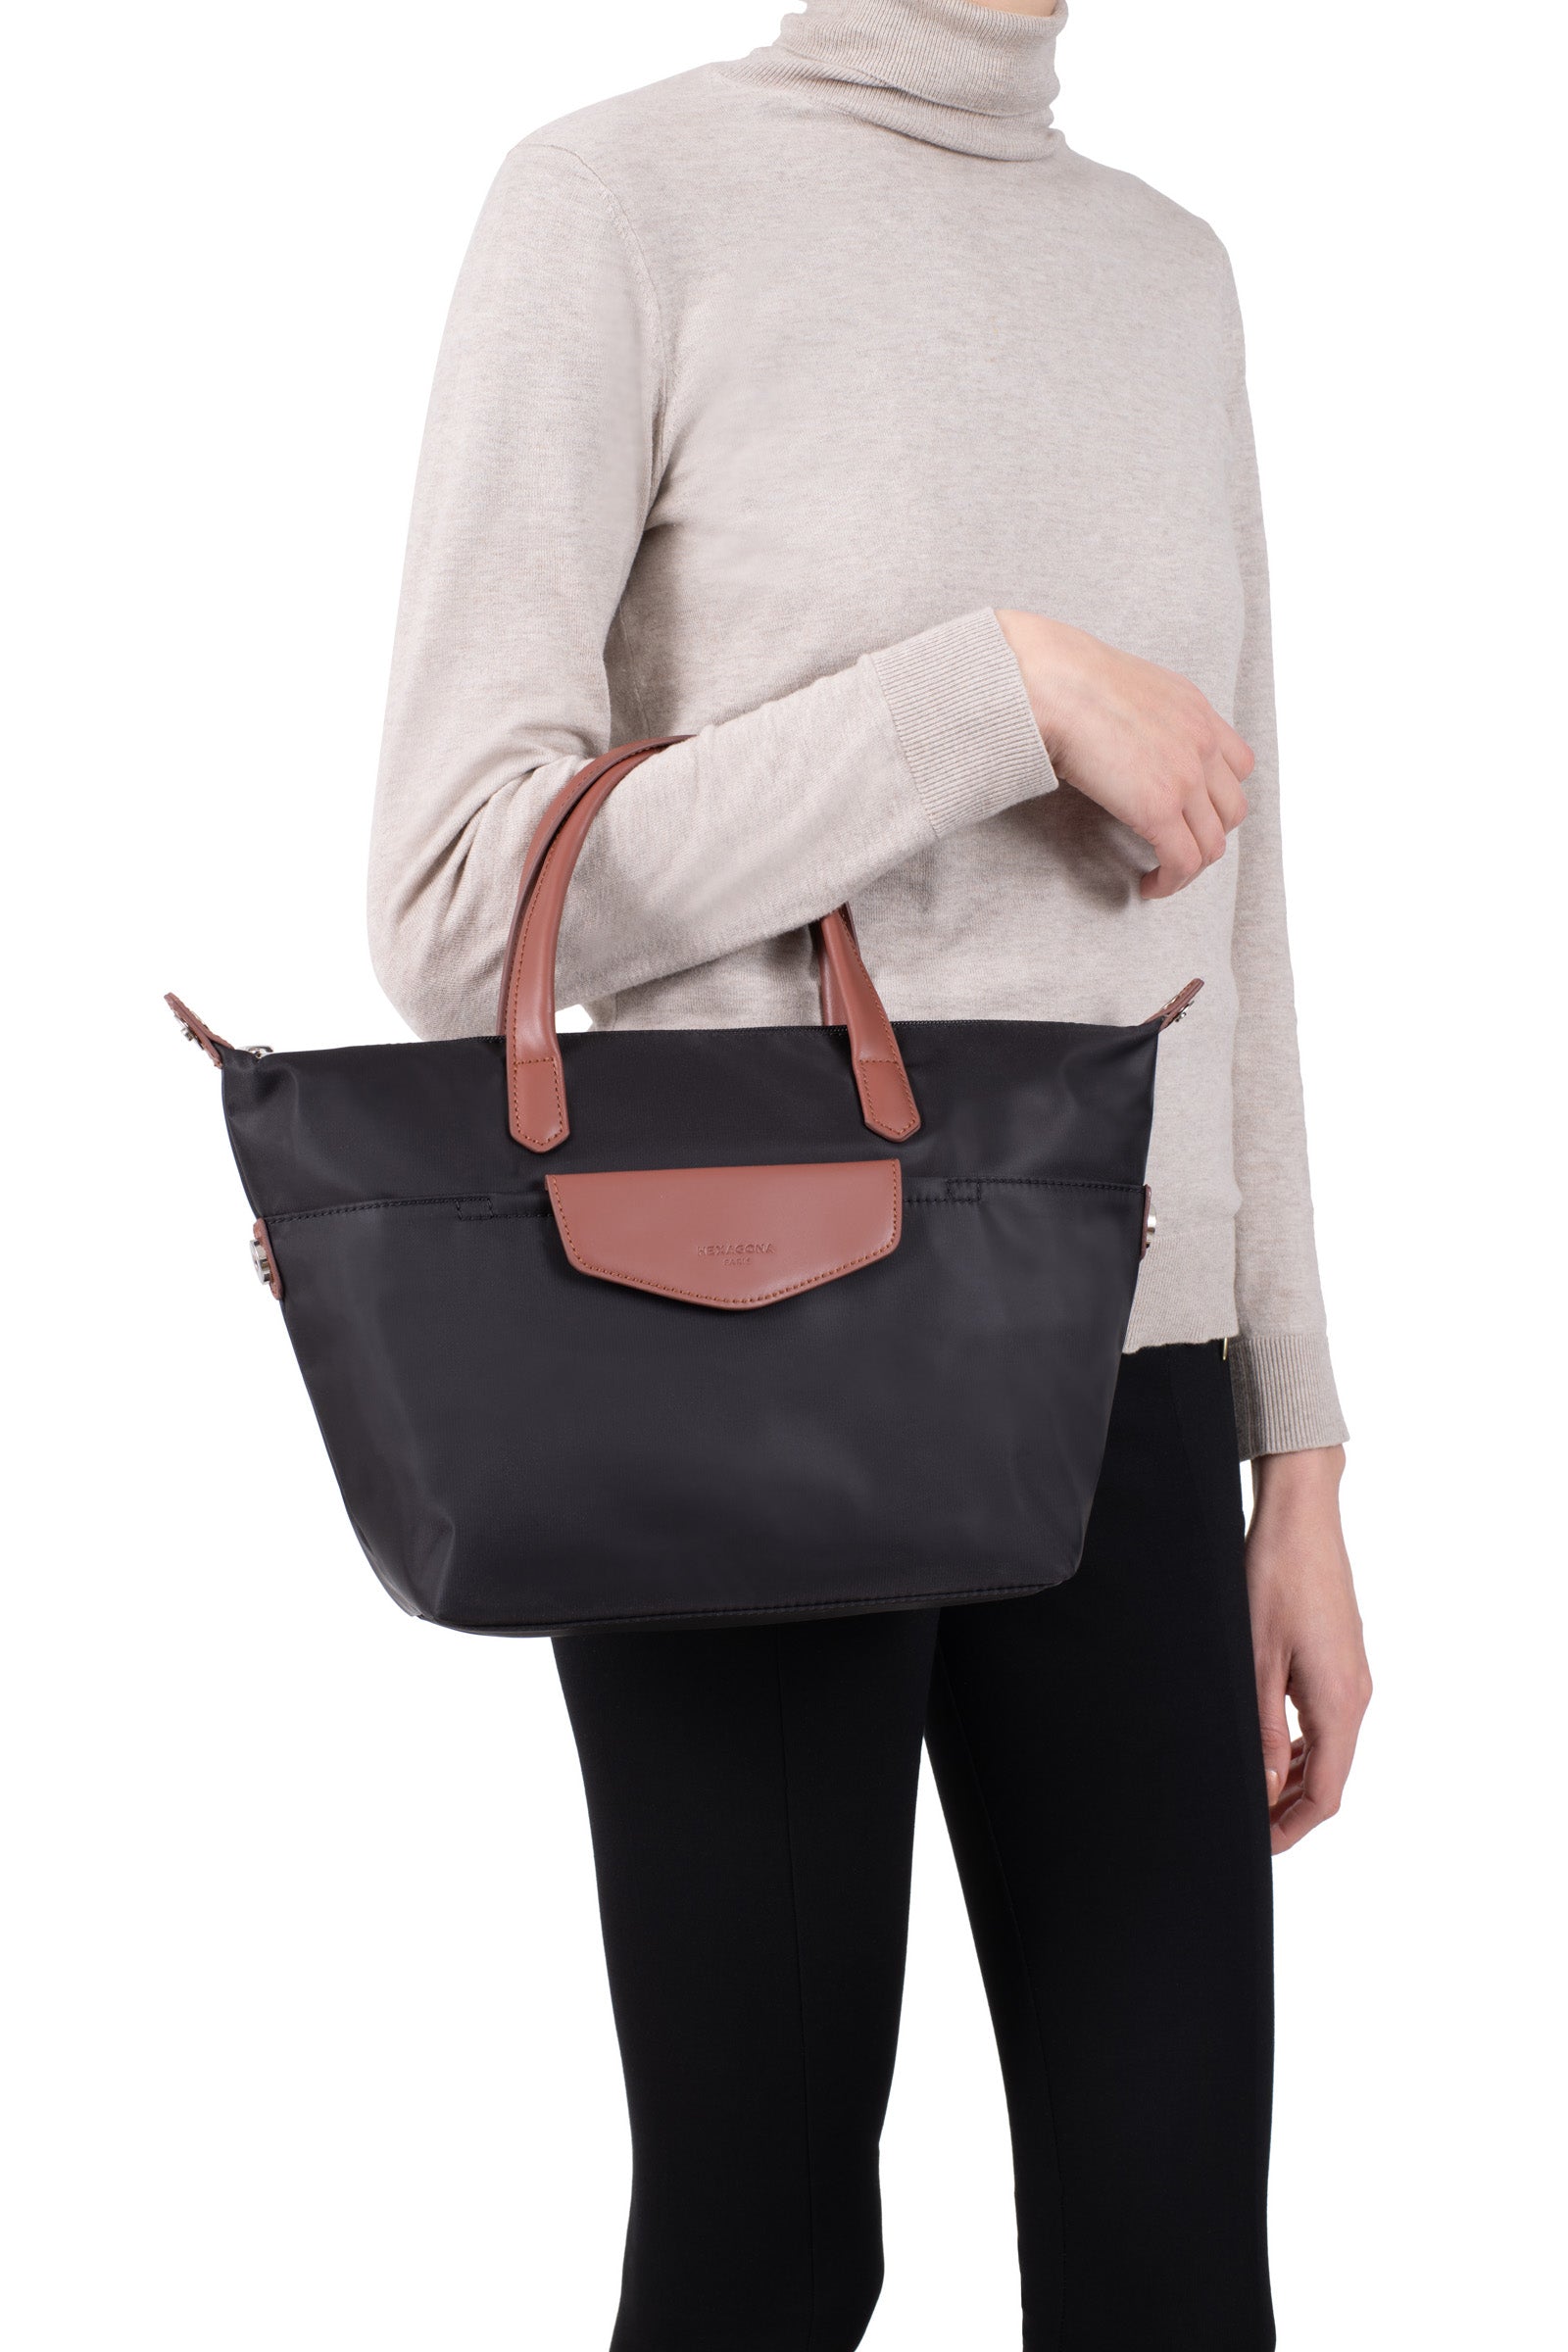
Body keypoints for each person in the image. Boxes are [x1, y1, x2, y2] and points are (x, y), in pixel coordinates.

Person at [368, 1, 1372, 2343]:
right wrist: (985, 694)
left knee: (1173, 2267)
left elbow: (1232, 911)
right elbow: (450, 903)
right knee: (762, 2252)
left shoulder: (1165, 268)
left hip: (1126, 1375)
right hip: (745, 1344)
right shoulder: (616, 203)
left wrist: (1296, 1453)